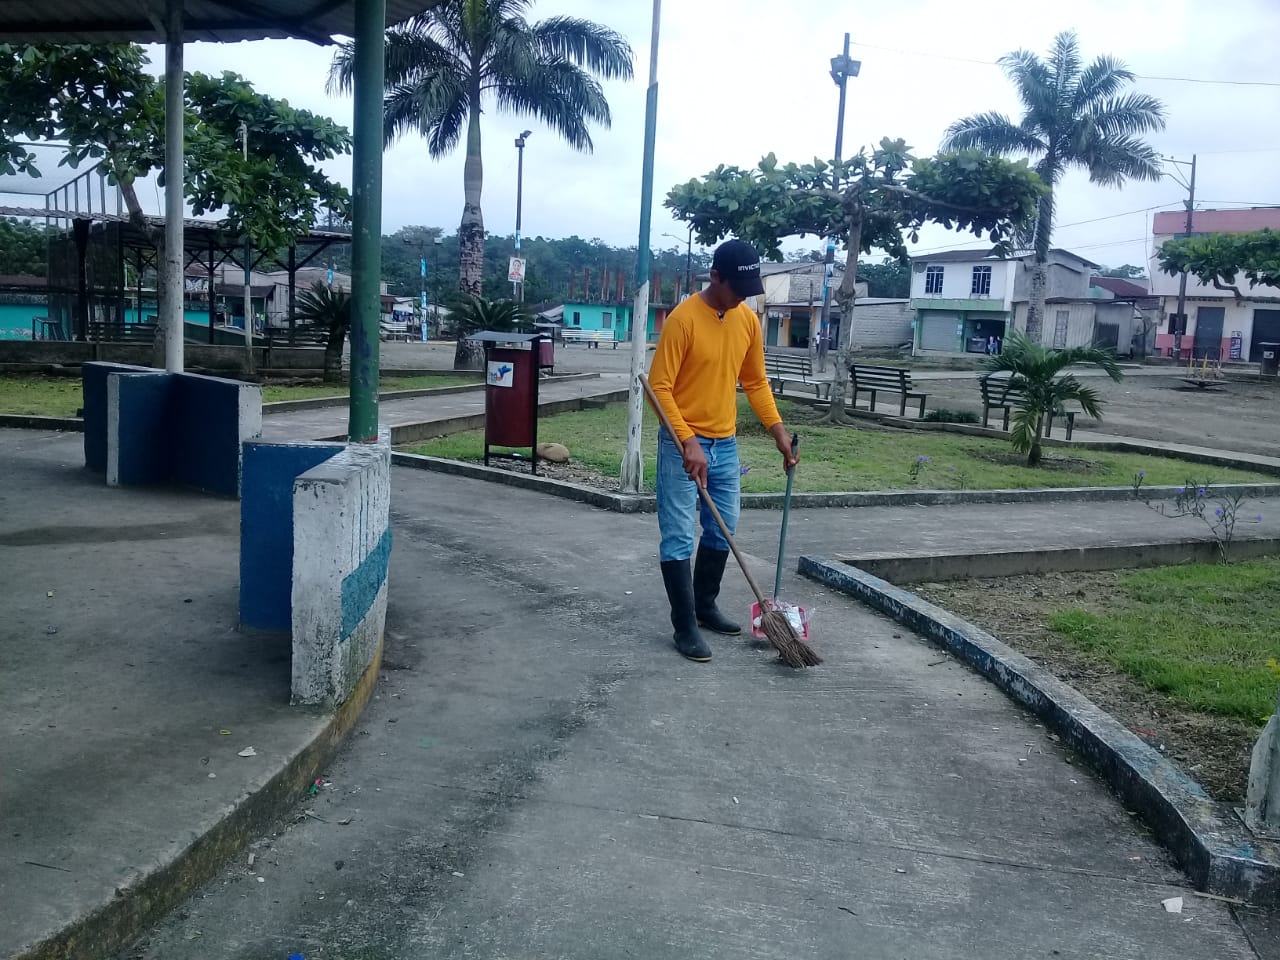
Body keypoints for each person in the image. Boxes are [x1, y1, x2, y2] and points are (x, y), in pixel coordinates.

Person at [648, 239, 799, 662]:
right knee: (679, 535)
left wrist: (777, 430)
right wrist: (688, 441)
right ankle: (685, 627)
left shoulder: (746, 320)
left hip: (725, 444)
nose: (742, 299)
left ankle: (705, 605)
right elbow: (659, 388)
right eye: (738, 290)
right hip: (681, 445)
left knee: (723, 527)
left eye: (750, 291)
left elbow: (755, 381)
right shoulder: (683, 320)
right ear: (715, 277)